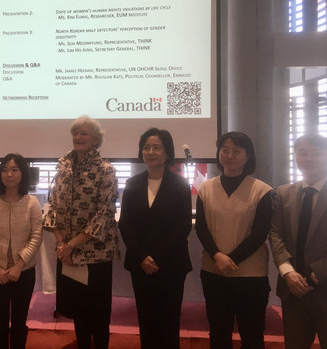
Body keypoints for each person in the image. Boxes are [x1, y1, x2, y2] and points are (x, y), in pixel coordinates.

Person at [43, 116, 120, 349]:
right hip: (66, 253)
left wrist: (71, 245)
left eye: (84, 133)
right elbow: (51, 205)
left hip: (94, 255)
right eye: (75, 133)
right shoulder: (62, 167)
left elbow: (105, 214)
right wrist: (61, 245)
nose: (78, 137)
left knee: (97, 313)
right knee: (78, 311)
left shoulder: (105, 170)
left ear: (96, 140)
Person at [195, 131, 273, 349]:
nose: (230, 155)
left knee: (252, 333)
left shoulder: (262, 191)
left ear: (248, 156)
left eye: (237, 151)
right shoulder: (205, 188)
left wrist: (230, 259)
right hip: (214, 272)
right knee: (219, 332)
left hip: (251, 275)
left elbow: (260, 233)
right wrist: (218, 256)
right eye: (224, 150)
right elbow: (201, 228)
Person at [118, 128, 192, 349]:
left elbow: (183, 226)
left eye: (156, 147)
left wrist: (156, 257)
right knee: (146, 318)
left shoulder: (180, 185)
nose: (150, 152)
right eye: (146, 147)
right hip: (140, 264)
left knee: (169, 320)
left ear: (167, 152)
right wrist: (141, 257)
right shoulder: (132, 184)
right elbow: (126, 223)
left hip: (171, 264)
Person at [0, 153, 43, 349]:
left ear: (23, 173)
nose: (9, 174)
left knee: (19, 322)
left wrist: (18, 266)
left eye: (15, 170)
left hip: (23, 272)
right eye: (5, 170)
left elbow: (36, 236)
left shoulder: (32, 202)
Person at [270, 134, 327, 348]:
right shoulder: (284, 192)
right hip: (292, 291)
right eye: (303, 153)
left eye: (317, 153)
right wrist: (288, 273)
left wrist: (314, 277)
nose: (309, 158)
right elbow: (276, 234)